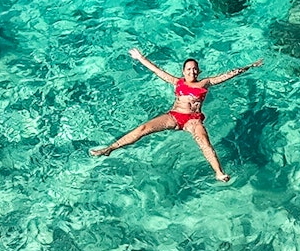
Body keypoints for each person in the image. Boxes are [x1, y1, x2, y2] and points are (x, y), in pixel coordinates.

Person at [90, 48, 263, 182]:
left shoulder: (205, 82)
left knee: (204, 142)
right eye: (189, 69)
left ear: (199, 71)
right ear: (183, 71)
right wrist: (140, 58)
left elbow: (228, 75)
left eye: (195, 69)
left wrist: (250, 66)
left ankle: (219, 173)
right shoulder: (177, 81)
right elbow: (157, 71)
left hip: (193, 121)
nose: (192, 72)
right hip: (173, 116)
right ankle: (109, 149)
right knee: (143, 128)